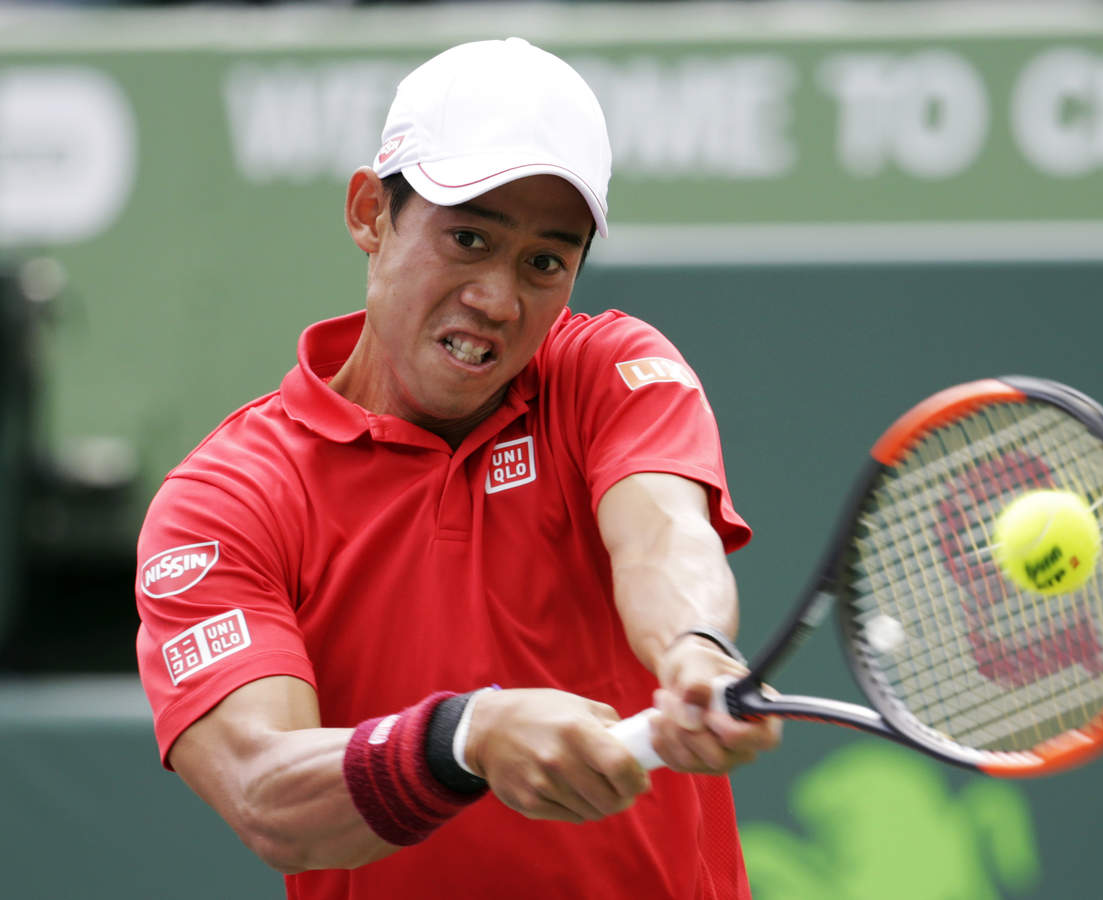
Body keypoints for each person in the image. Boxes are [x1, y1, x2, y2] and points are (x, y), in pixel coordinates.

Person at [134, 37, 779, 899]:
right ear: (370, 213)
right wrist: (465, 738)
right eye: (469, 238)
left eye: (545, 262)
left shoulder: (609, 372)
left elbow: (664, 536)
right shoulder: (225, 501)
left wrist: (694, 649)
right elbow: (265, 793)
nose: (499, 299)